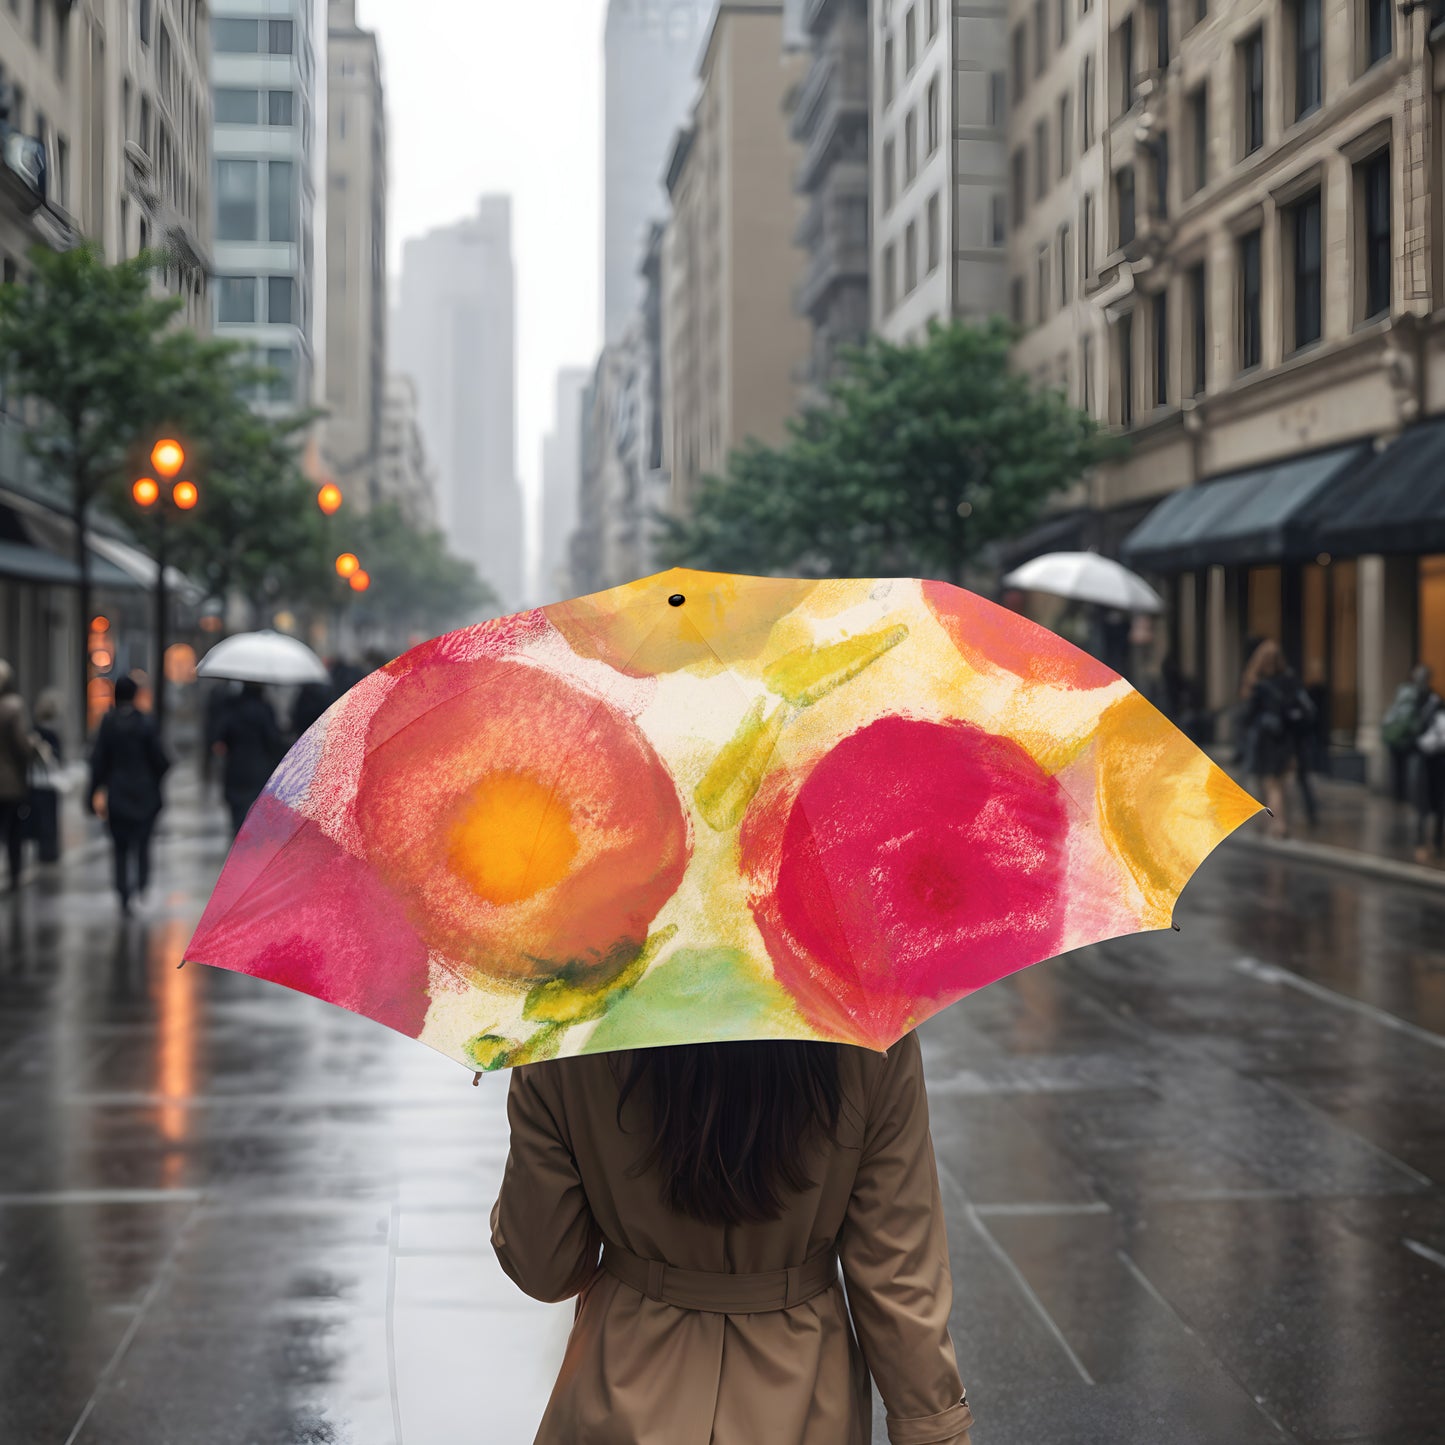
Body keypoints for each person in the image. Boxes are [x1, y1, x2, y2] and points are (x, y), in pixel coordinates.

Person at [492, 1034, 974, 1445]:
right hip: (806, 1394)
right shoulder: (865, 1021)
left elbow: (545, 1266)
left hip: (618, 1377)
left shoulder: (571, 1021)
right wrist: (937, 1429)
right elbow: (898, 1273)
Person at [88, 676, 170, 915]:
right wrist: (155, 781)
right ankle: (142, 881)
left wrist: (93, 791)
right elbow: (161, 760)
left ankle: (123, 891)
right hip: (144, 794)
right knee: (143, 842)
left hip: (118, 793)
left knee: (120, 845)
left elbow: (98, 761)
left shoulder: (108, 723)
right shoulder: (147, 723)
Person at [1241, 640, 1312, 840]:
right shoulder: (1289, 680)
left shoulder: (1259, 686)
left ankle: (1278, 825)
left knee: (1271, 785)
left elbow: (1248, 716)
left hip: (1267, 742)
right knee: (1282, 783)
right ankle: (1280, 822)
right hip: (1288, 741)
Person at [214, 681, 282, 836]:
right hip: (259, 769)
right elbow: (273, 740)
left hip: (235, 769)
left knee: (237, 812)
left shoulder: (232, 708)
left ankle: (238, 842)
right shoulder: (265, 709)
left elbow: (220, 738)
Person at [0, 660, 37, 889]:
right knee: (14, 831)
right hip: (10, 781)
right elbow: (21, 745)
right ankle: (15, 874)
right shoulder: (13, 707)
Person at [1381, 664, 1439, 804]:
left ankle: (1400, 795)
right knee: (1410, 769)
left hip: (1402, 737)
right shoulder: (1421, 695)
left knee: (1401, 769)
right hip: (1410, 738)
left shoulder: (1405, 692)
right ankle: (1406, 795)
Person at [28, 689, 65, 864]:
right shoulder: (50, 733)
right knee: (48, 817)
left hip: (37, 780)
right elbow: (58, 757)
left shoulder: (34, 731)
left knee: (41, 817)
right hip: (48, 780)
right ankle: (49, 850)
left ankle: (45, 850)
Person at [1412, 690, 1445, 862]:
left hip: (1429, 766)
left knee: (1427, 806)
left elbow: (1421, 741)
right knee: (1436, 806)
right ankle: (1434, 844)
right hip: (1436, 766)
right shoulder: (1431, 710)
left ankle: (1426, 844)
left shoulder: (1425, 710)